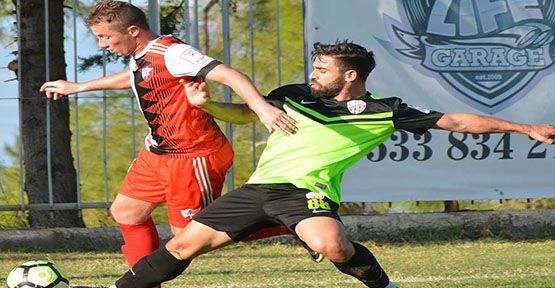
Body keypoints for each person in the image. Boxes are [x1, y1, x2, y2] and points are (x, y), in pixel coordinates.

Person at [98, 40, 555, 288]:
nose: (313, 73)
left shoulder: (382, 110)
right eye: (313, 66)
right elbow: (246, 113)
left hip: (306, 193)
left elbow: (456, 120)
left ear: (349, 75)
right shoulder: (294, 95)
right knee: (181, 247)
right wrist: (210, 104)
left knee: (334, 245)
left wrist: (523, 127)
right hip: (261, 188)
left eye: (322, 69)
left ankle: (382, 285)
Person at [39, 0, 297, 276]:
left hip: (192, 154)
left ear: (133, 31)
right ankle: (145, 283)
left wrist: (262, 108)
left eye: (106, 37)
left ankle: (298, 224)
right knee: (127, 212)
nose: (103, 44)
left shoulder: (173, 53)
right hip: (157, 152)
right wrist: (79, 87)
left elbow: (231, 75)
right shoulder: (141, 54)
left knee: (193, 235)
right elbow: (136, 76)